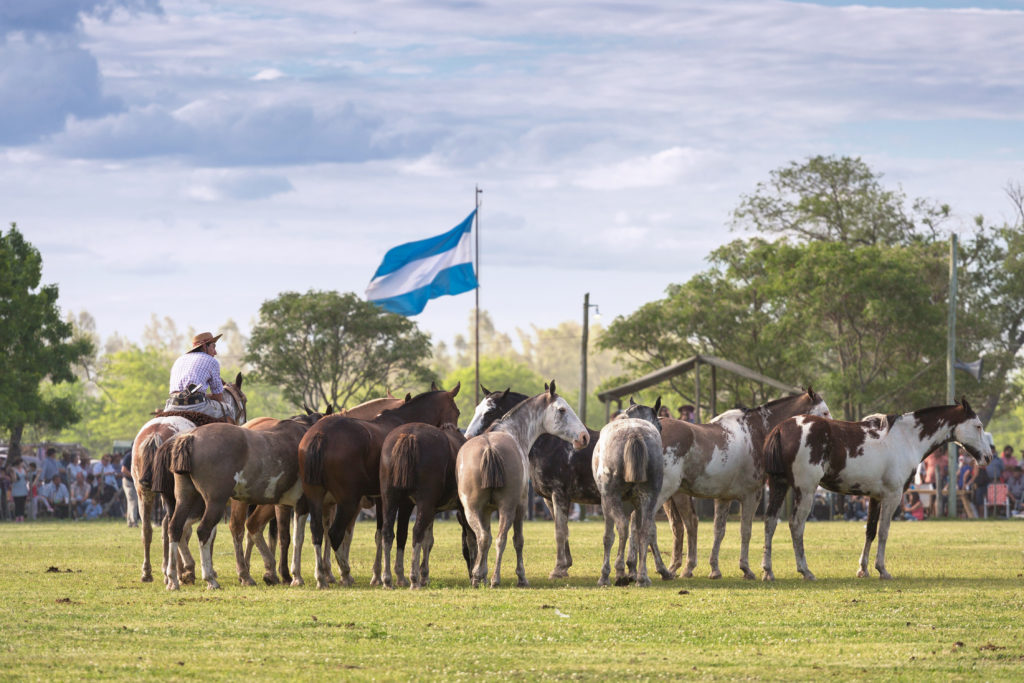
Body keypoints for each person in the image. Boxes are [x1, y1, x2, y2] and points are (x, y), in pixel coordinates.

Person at [165, 331, 232, 419]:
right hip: (196, 406)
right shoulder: (211, 361)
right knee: (229, 409)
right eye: (213, 347)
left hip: (172, 405)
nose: (215, 352)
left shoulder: (179, 360)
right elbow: (218, 396)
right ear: (204, 346)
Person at [121, 450, 140, 527]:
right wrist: (134, 476)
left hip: (133, 481)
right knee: (133, 500)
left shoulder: (136, 456)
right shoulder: (129, 456)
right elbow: (123, 470)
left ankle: (130, 522)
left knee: (131, 501)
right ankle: (133, 521)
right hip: (128, 482)